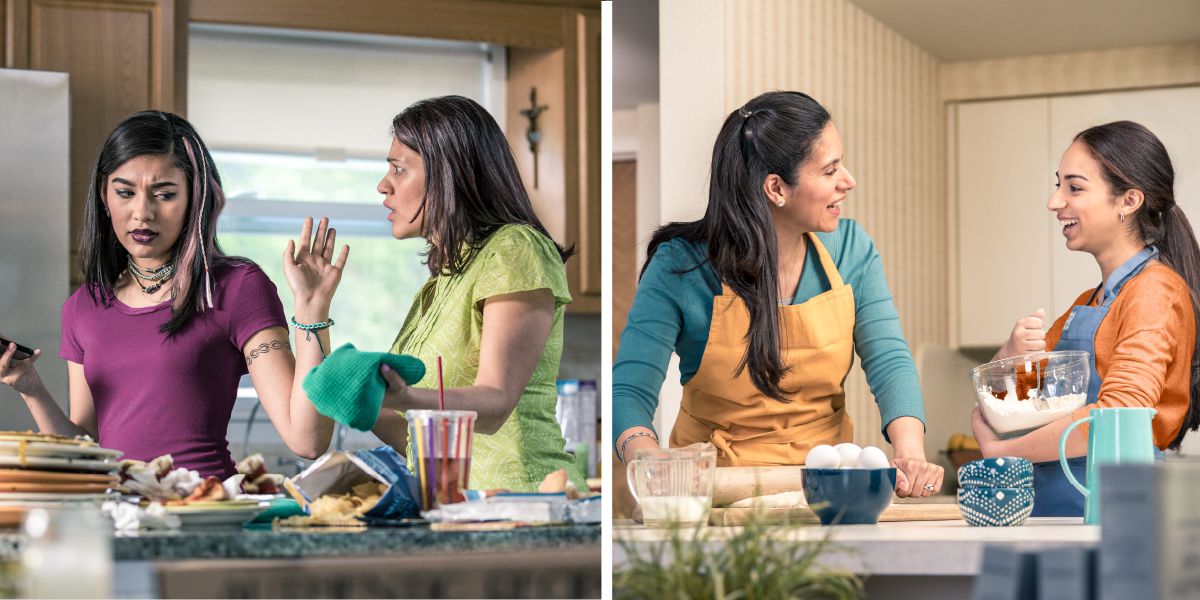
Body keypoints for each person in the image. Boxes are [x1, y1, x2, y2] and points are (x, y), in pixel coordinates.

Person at [612, 90, 943, 497]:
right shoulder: (680, 266)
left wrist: (910, 451)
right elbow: (629, 389)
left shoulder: (851, 250)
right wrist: (648, 459)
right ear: (776, 188)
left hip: (828, 491)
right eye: (830, 170)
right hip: (713, 493)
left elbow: (889, 360)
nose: (848, 181)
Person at [0, 111, 348, 478]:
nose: (142, 213)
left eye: (165, 194)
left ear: (194, 198)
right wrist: (31, 389)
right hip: (116, 509)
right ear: (104, 194)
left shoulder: (236, 287)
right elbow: (86, 451)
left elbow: (307, 440)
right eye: (125, 192)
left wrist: (312, 308)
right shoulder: (84, 307)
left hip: (205, 505)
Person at [974, 120, 1200, 516]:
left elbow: (1119, 419)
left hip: (1115, 511)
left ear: (1128, 201)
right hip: (1061, 508)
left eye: (1074, 188)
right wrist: (1008, 353)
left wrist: (1004, 452)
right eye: (1058, 185)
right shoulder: (1090, 302)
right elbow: (1008, 406)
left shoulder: (1155, 292)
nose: (1054, 202)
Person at [367, 95, 584, 492]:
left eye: (399, 169)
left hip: (527, 502)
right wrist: (349, 385)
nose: (384, 185)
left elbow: (496, 402)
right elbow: (412, 437)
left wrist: (404, 397)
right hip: (459, 507)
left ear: (447, 173)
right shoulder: (442, 281)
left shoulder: (515, 249)